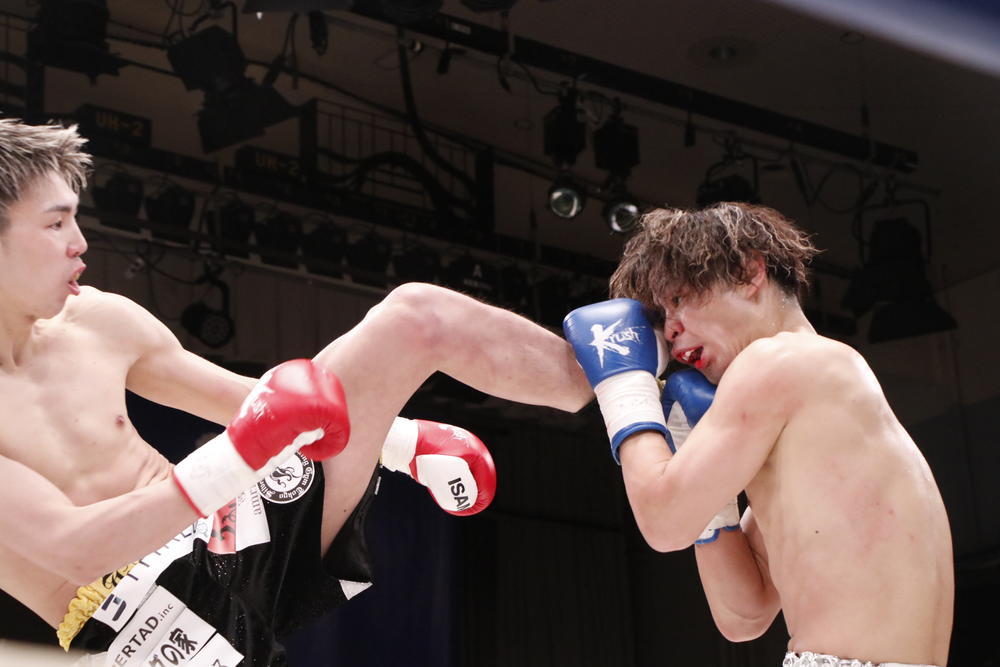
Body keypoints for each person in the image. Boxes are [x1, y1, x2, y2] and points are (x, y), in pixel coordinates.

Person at [0, 118, 593, 666]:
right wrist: (238, 455)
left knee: (416, 317)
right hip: (136, 622)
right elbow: (75, 549)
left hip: (228, 525)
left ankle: (618, 384)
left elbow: (254, 405)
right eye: (55, 223)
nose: (79, 241)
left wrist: (403, 441)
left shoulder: (98, 320)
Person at [563, 203, 954, 667]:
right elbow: (744, 614)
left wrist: (625, 387)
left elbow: (663, 524)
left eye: (679, 299)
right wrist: (692, 460)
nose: (669, 330)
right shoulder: (825, 396)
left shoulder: (778, 361)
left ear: (749, 274)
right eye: (664, 313)